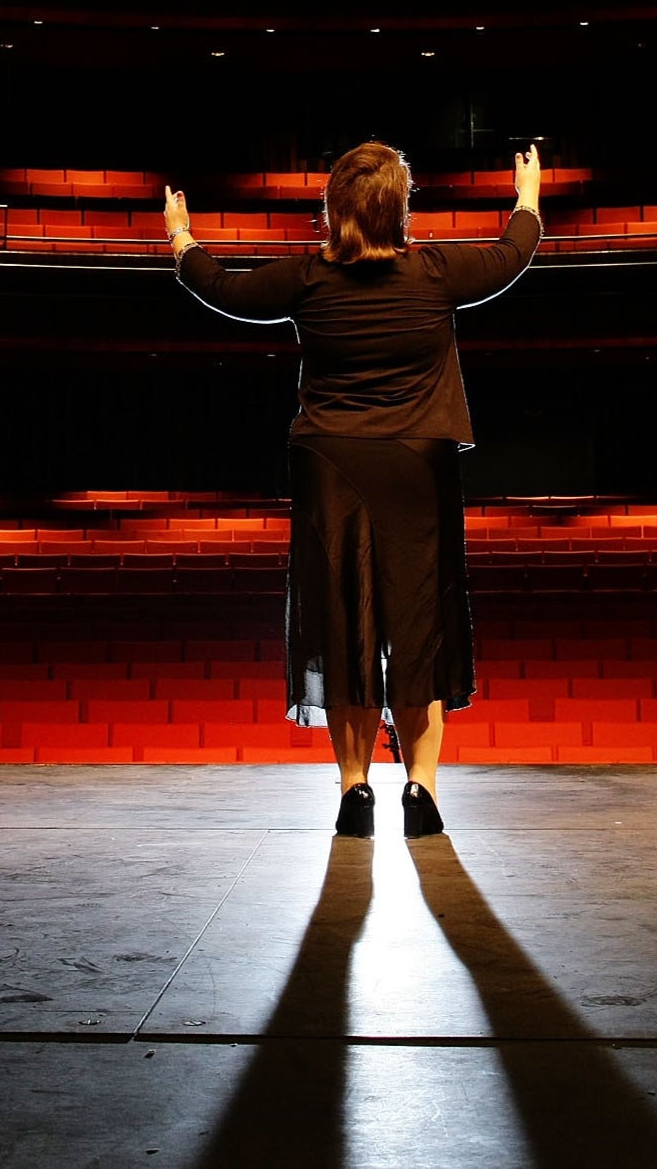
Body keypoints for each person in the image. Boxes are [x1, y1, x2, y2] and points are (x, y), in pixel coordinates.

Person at [164, 140, 542, 837]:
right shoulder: (434, 273)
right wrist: (528, 195)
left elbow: (220, 287)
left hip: (330, 470)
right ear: (400, 208)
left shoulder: (308, 278)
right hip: (415, 470)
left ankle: (356, 786)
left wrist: (182, 236)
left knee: (345, 629)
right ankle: (421, 791)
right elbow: (512, 253)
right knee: (420, 631)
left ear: (332, 208)